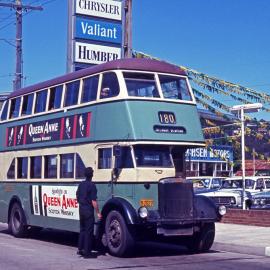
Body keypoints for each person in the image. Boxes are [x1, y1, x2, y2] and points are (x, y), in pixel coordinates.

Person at [76, 167, 102, 258]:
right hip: (88, 211)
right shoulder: (92, 186)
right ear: (92, 175)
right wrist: (98, 212)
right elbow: (94, 201)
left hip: (81, 209)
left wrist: (82, 204)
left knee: (82, 229)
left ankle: (80, 249)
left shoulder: (81, 185)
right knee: (89, 231)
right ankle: (87, 252)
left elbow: (77, 197)